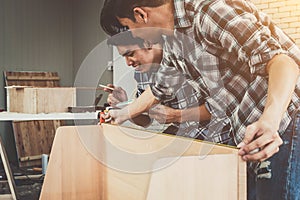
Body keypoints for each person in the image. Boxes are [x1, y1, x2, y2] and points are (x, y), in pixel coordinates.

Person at [100, 0, 300, 199]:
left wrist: (270, 122)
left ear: (141, 14)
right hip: (250, 130)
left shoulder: (207, 11)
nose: (131, 35)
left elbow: (282, 61)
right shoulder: (172, 38)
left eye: (128, 27)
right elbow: (160, 88)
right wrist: (122, 113)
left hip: (285, 120)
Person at [104, 31, 228, 140]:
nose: (128, 63)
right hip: (182, 136)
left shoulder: (183, 57)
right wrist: (124, 105)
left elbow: (223, 108)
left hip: (214, 135)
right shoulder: (142, 72)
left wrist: (177, 116)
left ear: (148, 42)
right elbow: (146, 121)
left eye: (130, 54)